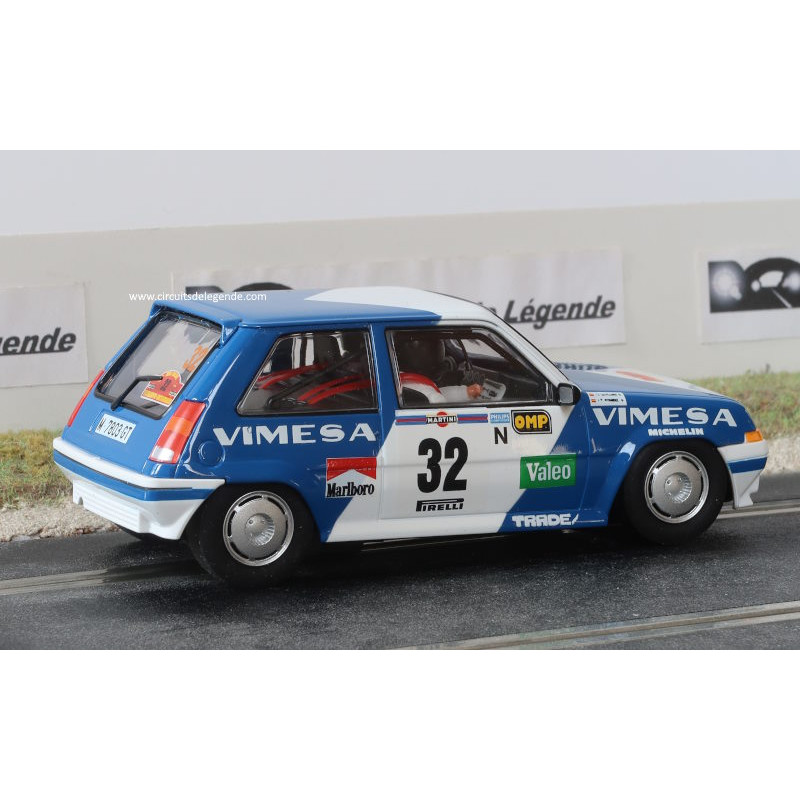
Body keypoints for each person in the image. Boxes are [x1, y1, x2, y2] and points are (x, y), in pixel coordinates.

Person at [394, 331, 484, 403]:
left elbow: (436, 392)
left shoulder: (396, 381)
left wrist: (466, 392)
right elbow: (436, 398)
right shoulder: (433, 398)